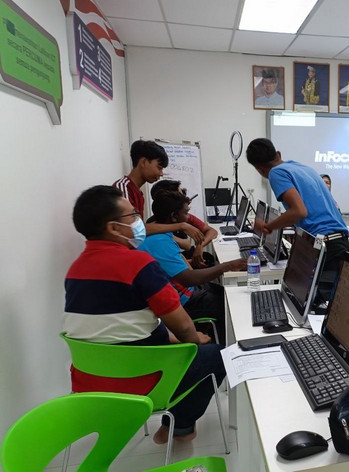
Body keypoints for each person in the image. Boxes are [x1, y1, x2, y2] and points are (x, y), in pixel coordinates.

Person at [63, 185, 225, 444]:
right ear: (114, 228)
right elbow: (184, 327)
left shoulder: (75, 269)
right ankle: (180, 428)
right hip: (136, 377)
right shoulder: (138, 264)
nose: (140, 221)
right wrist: (195, 341)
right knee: (217, 355)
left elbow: (123, 326)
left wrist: (174, 339)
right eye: (133, 216)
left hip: (90, 382)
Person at [246, 138, 349, 302]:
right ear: (278, 154)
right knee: (332, 305)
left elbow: (299, 211)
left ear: (259, 170)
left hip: (325, 247)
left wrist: (268, 226)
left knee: (317, 306)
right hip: (338, 243)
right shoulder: (302, 168)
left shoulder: (275, 173)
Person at [139, 190, 247, 343]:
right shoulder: (159, 242)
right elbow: (188, 279)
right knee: (230, 304)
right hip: (184, 302)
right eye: (185, 213)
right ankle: (225, 346)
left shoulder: (159, 233)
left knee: (227, 292)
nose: (188, 217)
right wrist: (228, 265)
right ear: (174, 216)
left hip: (187, 292)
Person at [113, 140, 205, 245]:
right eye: (159, 167)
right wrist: (181, 226)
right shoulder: (123, 189)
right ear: (143, 162)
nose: (161, 173)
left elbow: (140, 227)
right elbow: (133, 230)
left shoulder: (138, 193)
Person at [150, 179, 218, 268]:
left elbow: (212, 231)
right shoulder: (154, 227)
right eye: (181, 194)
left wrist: (200, 246)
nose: (185, 197)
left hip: (178, 258)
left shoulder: (181, 216)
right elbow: (185, 246)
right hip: (173, 262)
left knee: (208, 258)